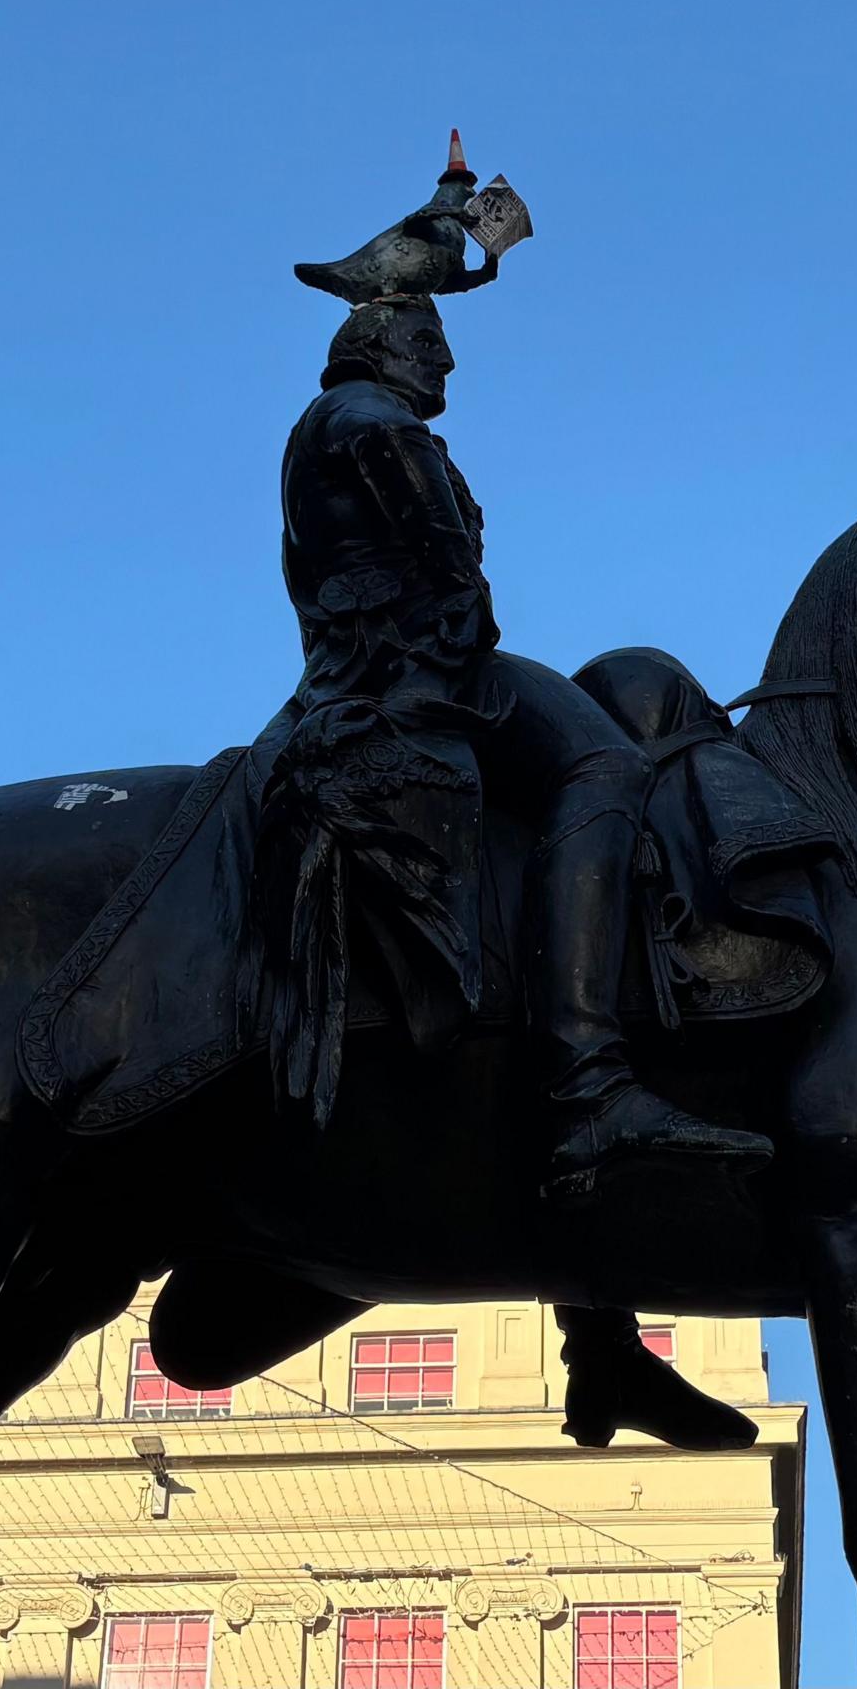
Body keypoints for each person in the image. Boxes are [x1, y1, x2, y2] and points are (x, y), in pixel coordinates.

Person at [268, 144, 768, 1187]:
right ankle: (589, 1079)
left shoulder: (344, 422)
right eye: (432, 342)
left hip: (396, 667)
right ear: (393, 338)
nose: (447, 364)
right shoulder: (372, 421)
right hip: (415, 678)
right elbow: (443, 561)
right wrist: (459, 617)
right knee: (606, 766)